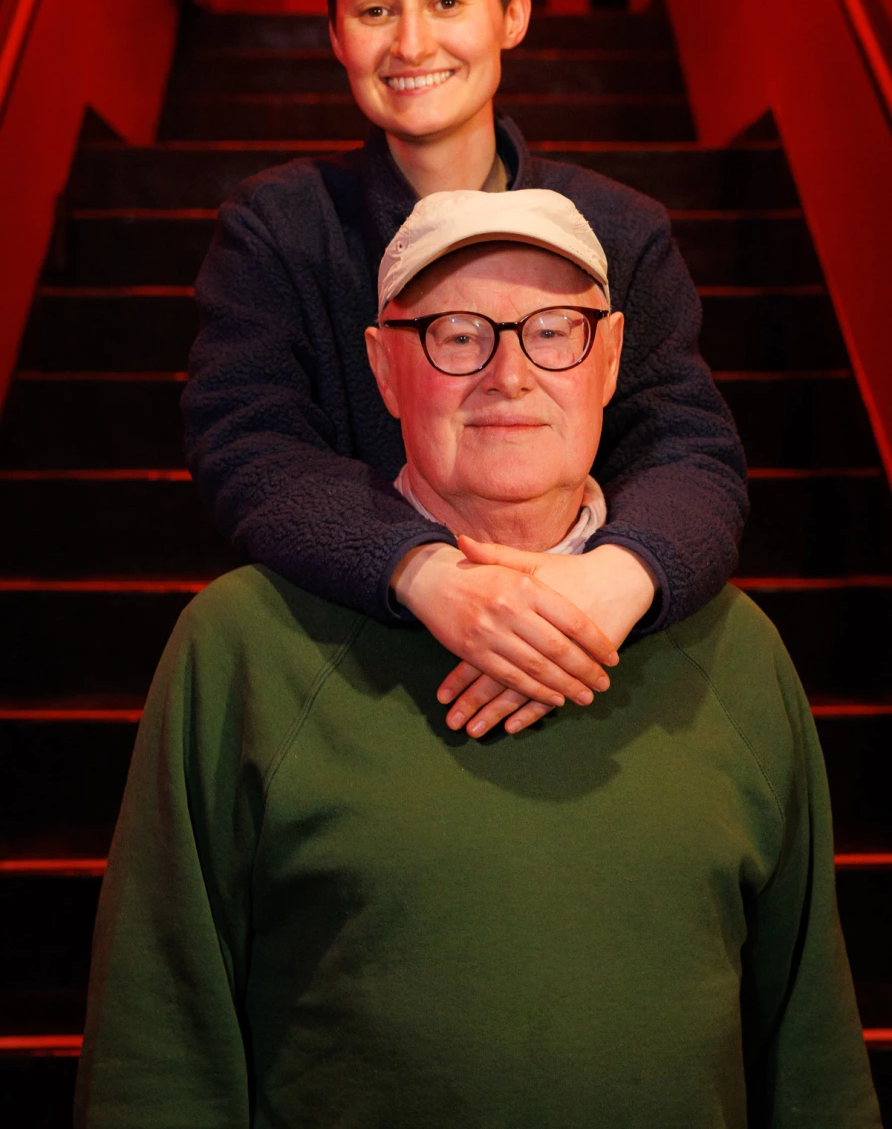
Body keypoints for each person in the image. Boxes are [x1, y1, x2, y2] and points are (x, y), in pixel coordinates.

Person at [75, 190, 879, 1127]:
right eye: (457, 336)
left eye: (554, 331)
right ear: (385, 369)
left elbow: (812, 1050)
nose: (510, 375)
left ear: (611, 357)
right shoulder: (244, 646)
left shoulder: (734, 650)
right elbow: (156, 1043)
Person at [182, 0, 749, 738]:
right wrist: (424, 572)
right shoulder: (280, 229)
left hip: (584, 650)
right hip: (356, 662)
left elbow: (691, 447)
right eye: (375, 10)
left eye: (446, 1)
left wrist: (616, 577)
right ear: (335, 35)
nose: (412, 43)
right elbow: (248, 441)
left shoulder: (622, 231)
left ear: (512, 14)